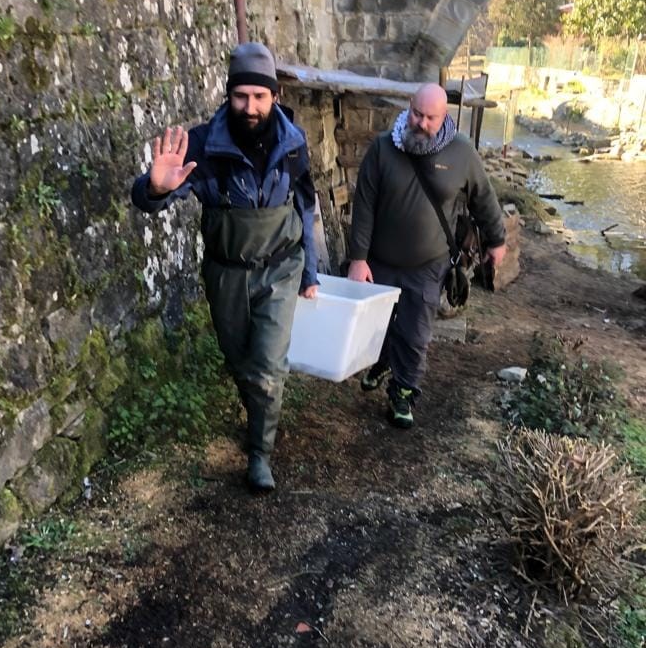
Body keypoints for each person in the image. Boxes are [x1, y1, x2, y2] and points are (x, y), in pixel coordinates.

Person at [132, 42, 318, 492]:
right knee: (240, 360)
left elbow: (305, 208)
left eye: (259, 96)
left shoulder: (293, 143)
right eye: (241, 96)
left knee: (268, 366)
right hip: (226, 273)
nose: (250, 107)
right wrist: (155, 189)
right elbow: (151, 198)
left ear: (274, 96)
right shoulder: (204, 145)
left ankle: (259, 454)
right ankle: (256, 406)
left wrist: (311, 272)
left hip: (280, 268)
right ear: (228, 94)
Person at [348, 83, 506, 429]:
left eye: (430, 118)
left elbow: (484, 198)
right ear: (409, 106)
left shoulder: (461, 152)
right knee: (378, 326)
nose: (421, 123)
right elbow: (364, 205)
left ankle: (403, 393)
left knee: (415, 334)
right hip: (380, 261)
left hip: (428, 264)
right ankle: (384, 360)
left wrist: (497, 240)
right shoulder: (383, 148)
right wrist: (358, 259)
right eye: (416, 114)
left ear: (444, 115)